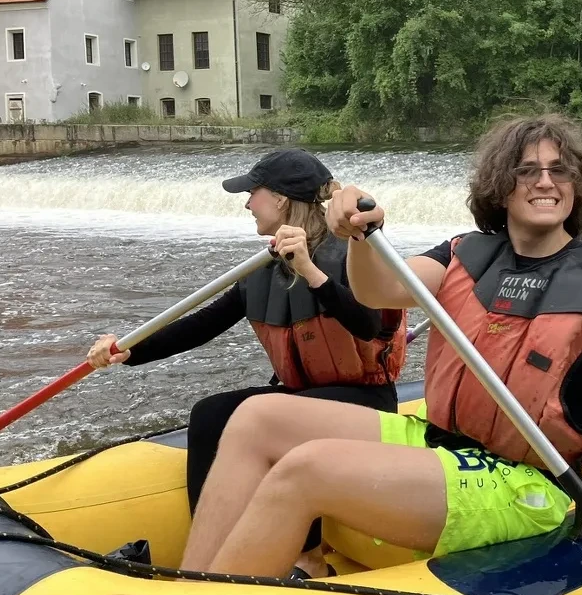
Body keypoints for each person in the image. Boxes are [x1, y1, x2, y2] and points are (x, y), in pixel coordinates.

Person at [179, 115, 582, 580]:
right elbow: (379, 290)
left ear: (578, 186)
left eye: (560, 171)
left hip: (524, 484)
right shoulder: (466, 253)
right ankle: (191, 586)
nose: (545, 181)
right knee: (255, 417)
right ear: (500, 186)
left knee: (308, 466)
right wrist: (359, 235)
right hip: (441, 440)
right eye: (527, 170)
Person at [86, 147, 407, 541]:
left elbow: (368, 325)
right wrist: (130, 349)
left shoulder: (354, 252)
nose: (247, 204)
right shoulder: (264, 268)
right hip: (302, 399)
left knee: (271, 416)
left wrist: (310, 270)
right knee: (209, 413)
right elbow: (203, 324)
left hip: (367, 403)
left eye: (252, 193)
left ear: (280, 199)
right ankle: (210, 541)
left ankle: (309, 558)